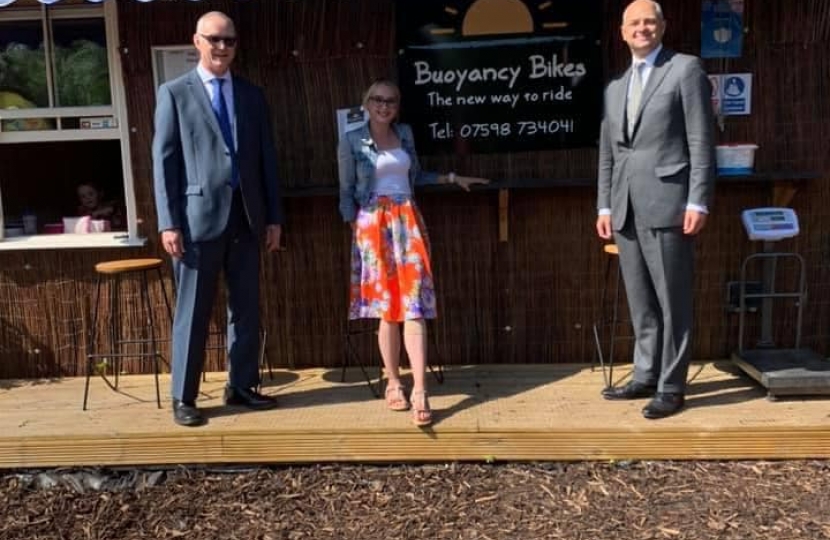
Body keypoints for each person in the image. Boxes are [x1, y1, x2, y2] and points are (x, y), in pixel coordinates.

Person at [152, 11, 283, 427]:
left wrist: (274, 218)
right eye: (214, 39)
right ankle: (184, 398)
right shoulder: (174, 93)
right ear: (197, 41)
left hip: (247, 220)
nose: (222, 47)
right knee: (192, 311)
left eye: (229, 40)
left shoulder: (252, 94)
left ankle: (241, 387)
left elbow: (266, 161)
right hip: (195, 222)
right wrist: (168, 222)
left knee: (246, 309)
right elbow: (164, 162)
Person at [338, 79, 487, 427]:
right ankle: (393, 382)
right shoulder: (351, 140)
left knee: (414, 305)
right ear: (367, 101)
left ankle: (420, 389)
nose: (384, 105)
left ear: (397, 105)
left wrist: (451, 178)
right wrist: (355, 227)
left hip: (408, 220)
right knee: (387, 311)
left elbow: (415, 175)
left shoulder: (404, 134)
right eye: (377, 99)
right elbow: (346, 191)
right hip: (373, 224)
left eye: (390, 100)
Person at [596, 0, 715, 419]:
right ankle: (645, 374)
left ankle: (671, 385)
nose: (642, 28)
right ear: (622, 31)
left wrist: (698, 198)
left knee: (672, 300)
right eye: (634, 23)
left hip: (669, 203)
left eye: (650, 21)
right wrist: (604, 205)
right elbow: (609, 154)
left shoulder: (685, 69)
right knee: (641, 301)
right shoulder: (615, 87)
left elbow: (702, 141)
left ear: (663, 26)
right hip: (625, 207)